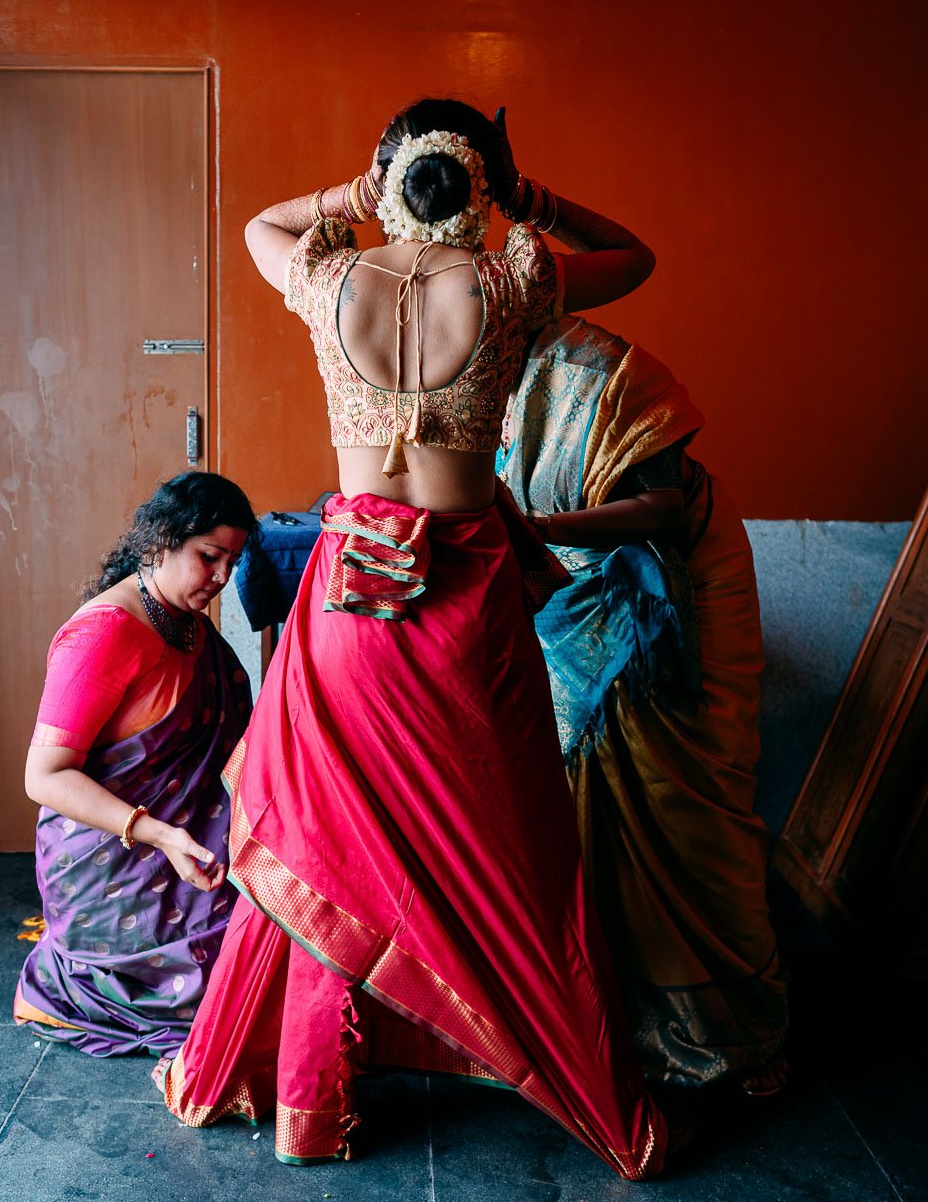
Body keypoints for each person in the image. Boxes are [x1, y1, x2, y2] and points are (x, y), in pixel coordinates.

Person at [155, 99, 669, 1180]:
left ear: (389, 174)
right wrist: (527, 199)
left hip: (349, 603)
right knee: (513, 835)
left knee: (329, 841)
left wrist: (351, 193)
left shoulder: (331, 278)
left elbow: (258, 225)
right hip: (464, 603)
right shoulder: (513, 281)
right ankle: (546, 1061)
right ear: (483, 180)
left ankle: (313, 1106)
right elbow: (634, 257)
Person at [498, 317, 791, 1094]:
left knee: (684, 807)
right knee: (579, 800)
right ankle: (608, 1012)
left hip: (671, 598)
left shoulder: (613, 380)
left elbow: (662, 506)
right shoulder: (479, 378)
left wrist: (539, 532)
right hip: (577, 601)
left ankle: (723, 1025)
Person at [15, 472, 258, 1057]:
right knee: (232, 991)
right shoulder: (103, 634)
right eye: (210, 556)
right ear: (160, 542)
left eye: (233, 561)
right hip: (113, 859)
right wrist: (161, 835)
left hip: (187, 841)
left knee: (285, 924)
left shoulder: (183, 620)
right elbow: (42, 777)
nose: (223, 577)